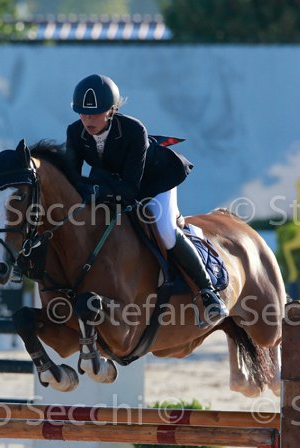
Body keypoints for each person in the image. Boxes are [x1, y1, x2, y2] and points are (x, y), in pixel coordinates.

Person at [65, 74, 228, 324]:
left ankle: (208, 293)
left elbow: (130, 190)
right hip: (111, 184)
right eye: (83, 113)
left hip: (154, 182)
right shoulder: (75, 132)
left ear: (111, 110)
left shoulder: (133, 130)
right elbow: (71, 179)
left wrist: (93, 190)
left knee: (165, 231)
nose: (87, 119)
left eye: (95, 113)